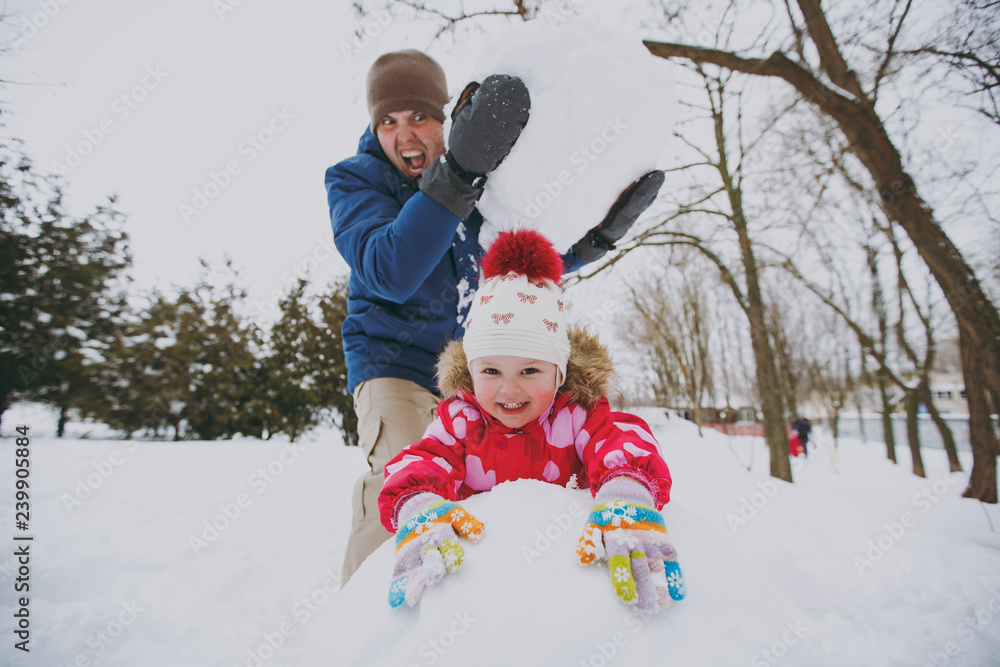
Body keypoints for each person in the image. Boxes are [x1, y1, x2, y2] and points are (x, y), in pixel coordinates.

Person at [325, 49, 666, 583]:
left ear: (447, 116)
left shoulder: (477, 180)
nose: (405, 135)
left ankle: (469, 609)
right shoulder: (355, 181)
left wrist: (592, 240)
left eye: (419, 117)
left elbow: (505, 265)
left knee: (476, 488)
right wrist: (458, 172)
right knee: (404, 480)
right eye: (387, 122)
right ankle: (363, 629)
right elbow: (391, 269)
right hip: (395, 362)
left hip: (476, 369)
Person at [378, 230, 685, 614]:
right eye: (490, 370)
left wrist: (625, 491)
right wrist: (418, 503)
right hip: (484, 589)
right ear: (471, 373)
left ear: (558, 373)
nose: (509, 388)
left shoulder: (576, 414)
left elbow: (622, 437)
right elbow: (423, 459)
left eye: (529, 370)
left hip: (569, 586)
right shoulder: (460, 420)